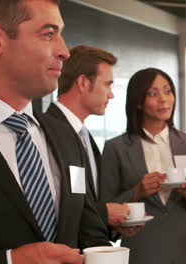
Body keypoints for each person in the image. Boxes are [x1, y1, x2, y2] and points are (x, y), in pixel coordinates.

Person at [0, 0, 110, 263]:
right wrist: (10, 261)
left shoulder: (65, 137)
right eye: (49, 34)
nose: (65, 51)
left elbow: (88, 234)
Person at [100, 68, 186, 264]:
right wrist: (136, 192)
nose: (164, 99)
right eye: (152, 93)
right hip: (143, 247)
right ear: (138, 102)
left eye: (167, 91)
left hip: (185, 246)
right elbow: (104, 206)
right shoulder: (116, 148)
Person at [45, 45, 141, 237]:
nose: (111, 94)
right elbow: (51, 208)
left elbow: (87, 205)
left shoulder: (85, 136)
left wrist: (112, 225)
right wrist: (106, 213)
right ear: (83, 83)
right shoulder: (47, 132)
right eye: (107, 84)